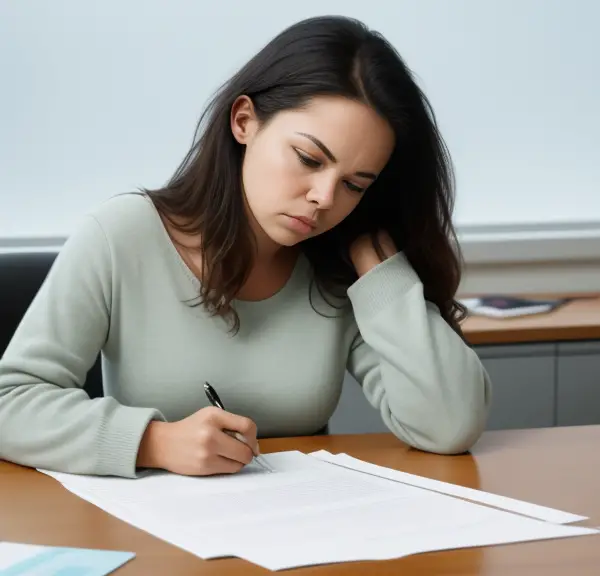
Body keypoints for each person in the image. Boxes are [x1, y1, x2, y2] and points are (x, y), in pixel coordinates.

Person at [0, 15, 491, 479]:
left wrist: (382, 271)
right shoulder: (122, 235)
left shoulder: (344, 271)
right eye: (308, 158)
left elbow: (448, 427)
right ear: (244, 121)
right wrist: (155, 442)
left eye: (355, 185)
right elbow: (10, 402)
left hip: (303, 536)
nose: (324, 198)